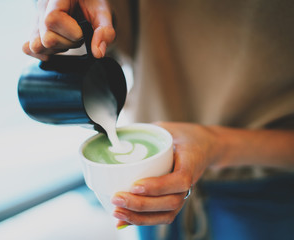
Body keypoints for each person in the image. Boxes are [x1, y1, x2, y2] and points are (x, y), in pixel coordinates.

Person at [23, 0, 294, 239]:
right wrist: (72, 19)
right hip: (151, 190)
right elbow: (102, 39)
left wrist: (217, 144)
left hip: (269, 198)